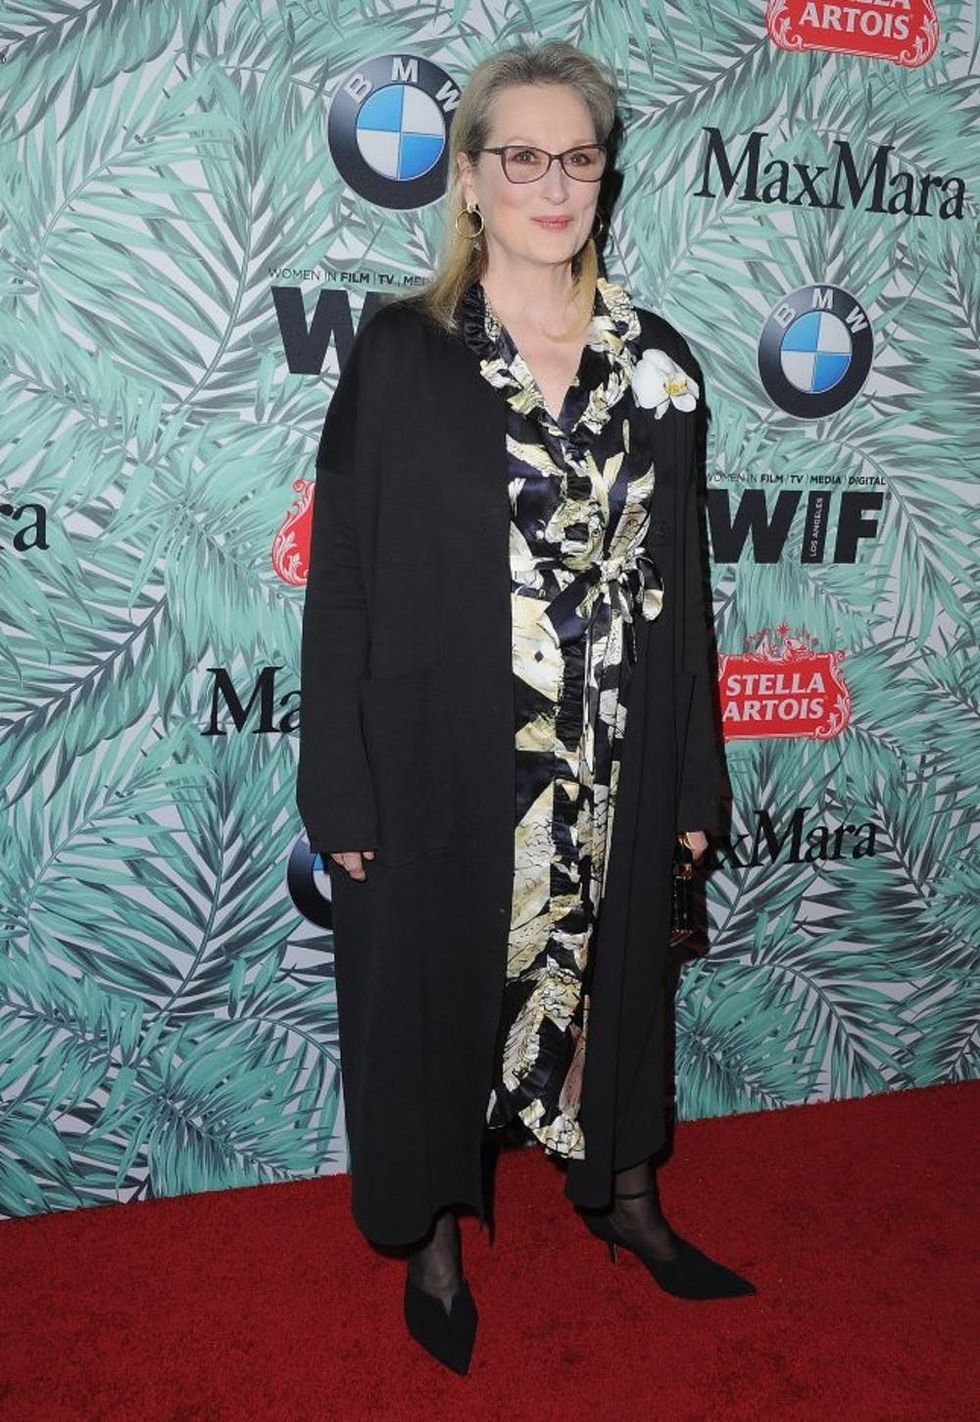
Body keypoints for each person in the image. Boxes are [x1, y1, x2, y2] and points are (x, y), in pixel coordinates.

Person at [297, 41, 755, 1376]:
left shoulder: (658, 362)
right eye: (523, 156)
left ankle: (622, 1194)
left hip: (620, 755)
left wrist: (693, 785)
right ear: (474, 178)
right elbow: (342, 586)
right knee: (439, 992)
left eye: (579, 156)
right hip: (448, 765)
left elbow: (688, 585)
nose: (553, 183)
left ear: (604, 178)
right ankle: (435, 1239)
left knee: (617, 992)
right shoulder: (401, 351)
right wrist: (340, 788)